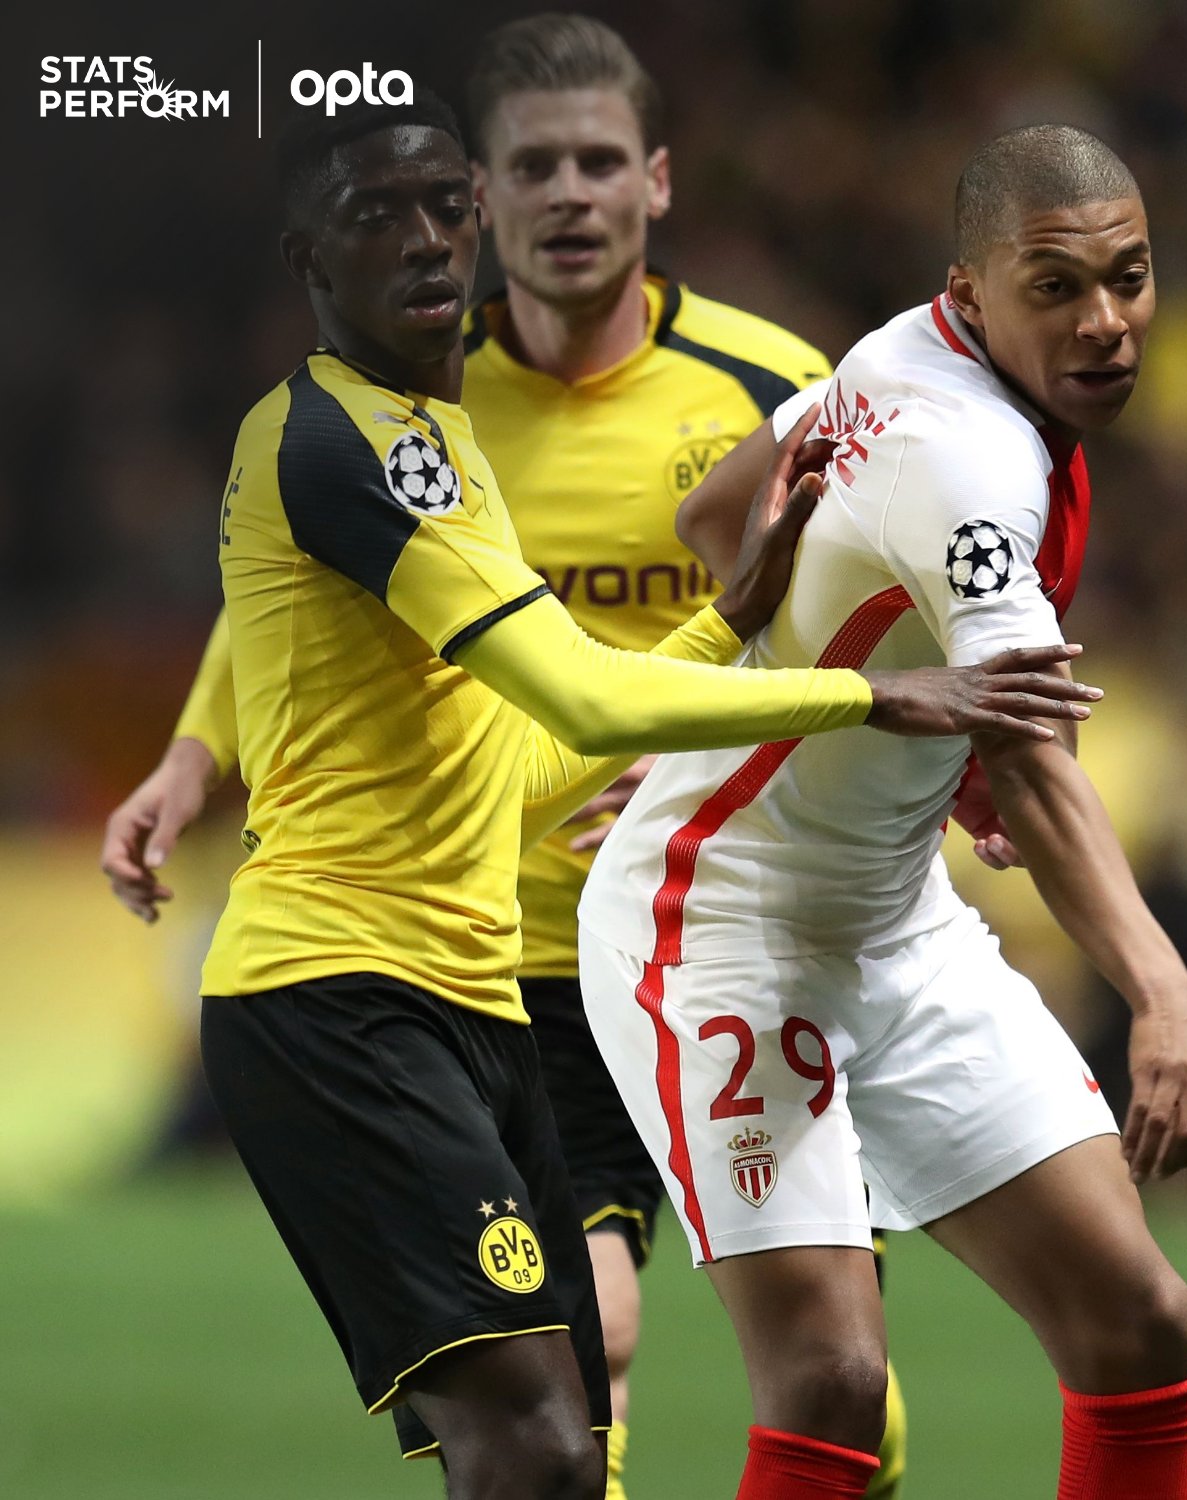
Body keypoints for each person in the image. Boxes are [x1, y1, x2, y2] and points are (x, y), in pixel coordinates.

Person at [107, 87, 1103, 1499]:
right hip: (341, 991)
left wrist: (728, 616)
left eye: (444, 208)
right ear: (306, 259)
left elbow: (523, 763)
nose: (426, 241)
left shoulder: (445, 441)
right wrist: (875, 695)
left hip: (476, 996)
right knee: (534, 1442)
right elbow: (580, 696)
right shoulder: (340, 441)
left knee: (566, 1448)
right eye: (376, 216)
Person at [576, 124, 1187, 1500]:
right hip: (717, 927)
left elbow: (719, 514)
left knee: (1139, 1325)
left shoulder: (893, 355)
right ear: (974, 290)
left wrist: (802, 721)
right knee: (832, 1381)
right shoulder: (970, 458)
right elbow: (1038, 767)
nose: (1106, 322)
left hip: (893, 923)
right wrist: (1164, 995)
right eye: (1057, 288)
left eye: (1128, 277)